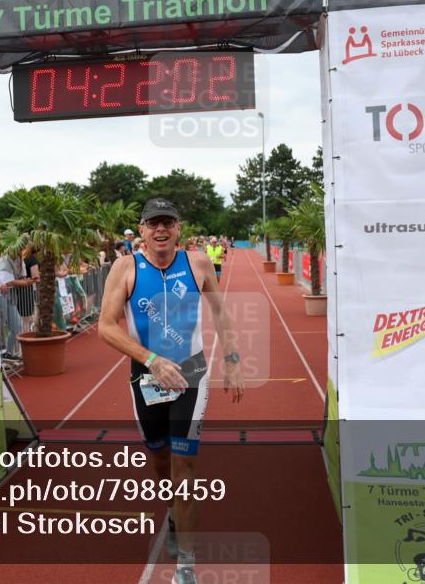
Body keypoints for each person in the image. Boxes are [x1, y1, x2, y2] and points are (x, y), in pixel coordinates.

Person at [99, 198, 244, 584]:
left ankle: (185, 564)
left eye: (168, 222)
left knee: (184, 467)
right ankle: (173, 509)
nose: (160, 230)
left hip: (191, 375)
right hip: (145, 377)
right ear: (142, 230)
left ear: (178, 228)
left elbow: (221, 312)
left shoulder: (197, 264)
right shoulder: (125, 267)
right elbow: (106, 326)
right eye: (152, 223)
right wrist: (151, 359)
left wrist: (231, 358)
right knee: (160, 460)